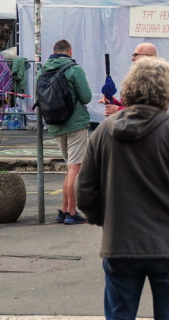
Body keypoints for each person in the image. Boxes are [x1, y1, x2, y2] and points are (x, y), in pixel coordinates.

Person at [78, 57, 169, 320]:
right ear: (168, 92)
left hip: (120, 242)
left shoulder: (104, 131)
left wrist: (104, 220)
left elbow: (85, 192)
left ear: (129, 87)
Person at [43, 39, 93, 225]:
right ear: (69, 52)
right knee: (74, 169)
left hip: (55, 125)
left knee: (69, 168)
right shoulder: (74, 69)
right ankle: (72, 212)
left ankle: (64, 210)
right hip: (75, 124)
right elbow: (86, 97)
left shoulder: (44, 70)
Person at [104, 43, 159, 116]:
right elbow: (129, 104)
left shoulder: (156, 80)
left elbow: (146, 111)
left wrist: (118, 110)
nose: (132, 59)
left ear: (148, 57)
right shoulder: (137, 78)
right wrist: (112, 101)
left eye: (136, 55)